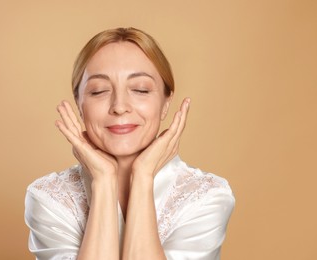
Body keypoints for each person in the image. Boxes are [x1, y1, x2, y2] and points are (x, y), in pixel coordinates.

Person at [24, 27, 235, 260]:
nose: (120, 106)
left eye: (140, 89)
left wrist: (143, 176)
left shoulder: (207, 196)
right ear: (79, 103)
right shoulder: (49, 198)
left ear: (166, 102)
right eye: (99, 91)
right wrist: (103, 181)